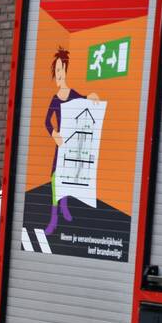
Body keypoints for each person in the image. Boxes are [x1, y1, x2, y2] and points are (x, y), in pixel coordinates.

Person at [44, 46, 100, 235]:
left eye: (61, 69)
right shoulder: (55, 98)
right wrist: (54, 134)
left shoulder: (73, 94)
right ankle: (53, 217)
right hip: (61, 144)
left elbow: (84, 101)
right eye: (56, 70)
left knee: (68, 176)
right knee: (55, 177)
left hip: (73, 145)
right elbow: (46, 121)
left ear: (67, 70)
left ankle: (65, 206)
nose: (58, 74)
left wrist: (91, 96)